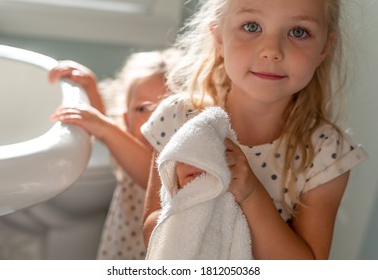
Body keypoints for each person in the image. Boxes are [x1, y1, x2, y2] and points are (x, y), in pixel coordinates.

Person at [141, 0, 368, 259]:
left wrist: (251, 194)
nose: (272, 51)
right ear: (218, 38)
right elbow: (150, 235)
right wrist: (185, 197)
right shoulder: (178, 119)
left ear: (325, 48)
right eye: (251, 26)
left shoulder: (326, 152)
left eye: (298, 32)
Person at [49, 48, 181, 259]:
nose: (154, 120)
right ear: (126, 118)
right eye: (142, 109)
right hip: (118, 248)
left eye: (166, 110)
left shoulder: (180, 163)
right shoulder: (125, 144)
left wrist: (104, 126)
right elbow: (107, 132)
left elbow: (148, 175)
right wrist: (89, 85)